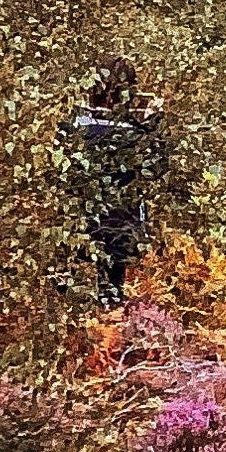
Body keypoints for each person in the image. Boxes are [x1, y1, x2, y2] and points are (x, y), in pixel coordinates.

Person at [62, 61, 168, 305]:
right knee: (112, 296)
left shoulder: (73, 127)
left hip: (76, 226)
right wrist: (155, 122)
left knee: (69, 295)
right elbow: (157, 168)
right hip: (120, 227)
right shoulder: (134, 134)